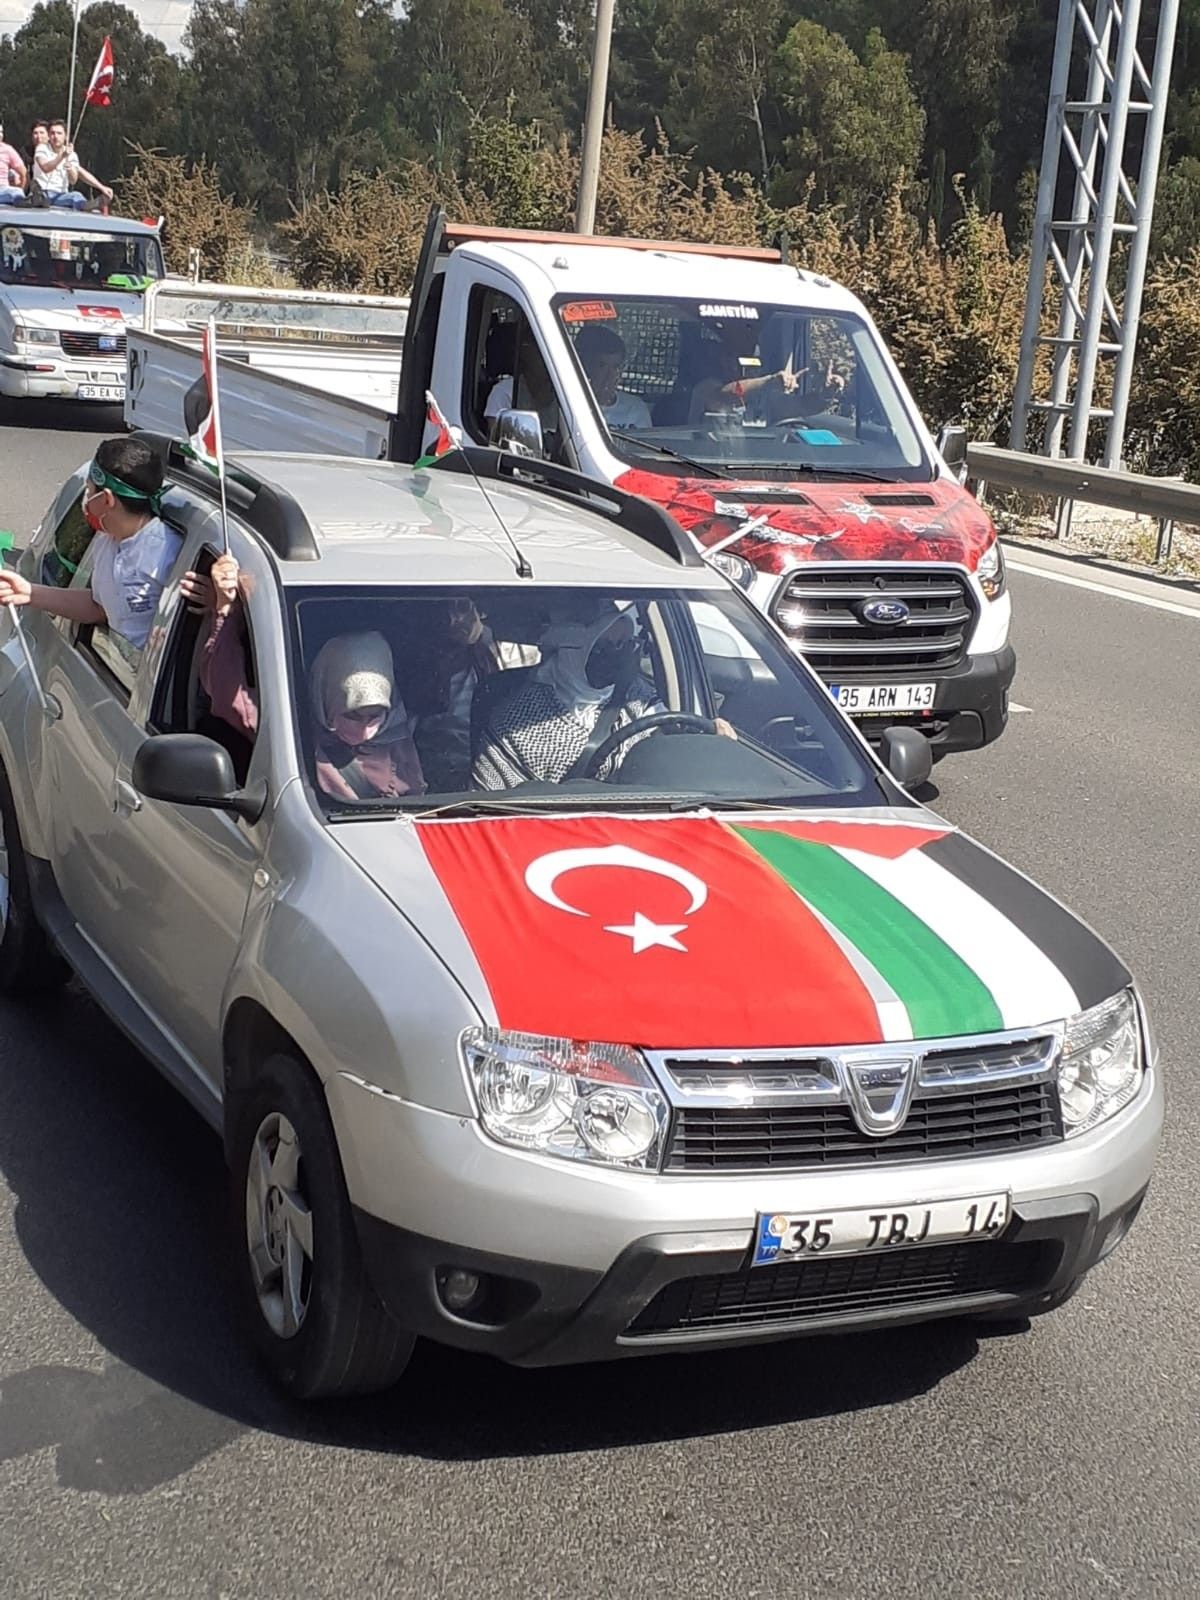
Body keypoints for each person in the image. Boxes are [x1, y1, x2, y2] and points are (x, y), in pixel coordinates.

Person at [0, 437, 180, 651]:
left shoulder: (169, 554)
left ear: (106, 499)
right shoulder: (105, 541)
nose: (85, 500)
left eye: (89, 491)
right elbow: (98, 607)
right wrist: (28, 592)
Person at [473, 602, 661, 790]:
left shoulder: (639, 698)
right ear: (572, 651)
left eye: (625, 643)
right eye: (606, 645)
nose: (619, 654)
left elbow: (666, 750)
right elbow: (491, 798)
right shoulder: (515, 723)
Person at [407, 596, 533, 793]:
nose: (454, 619)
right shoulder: (418, 671)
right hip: (437, 779)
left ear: (480, 611)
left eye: (463, 608)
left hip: (493, 772)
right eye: (444, 611)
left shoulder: (492, 657)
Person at [309, 631, 425, 802]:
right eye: (352, 716)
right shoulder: (295, 751)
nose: (364, 732)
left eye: (375, 716)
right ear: (326, 700)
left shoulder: (400, 740)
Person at [574, 323, 652, 430]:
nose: (610, 375)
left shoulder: (635, 409)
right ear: (586, 366)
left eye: (616, 367)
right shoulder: (572, 406)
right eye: (602, 366)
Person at [32, 119, 112, 210]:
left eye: (59, 133)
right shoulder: (42, 148)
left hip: (61, 195)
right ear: (49, 136)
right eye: (52, 133)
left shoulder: (72, 155)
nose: (56, 136)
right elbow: (45, 168)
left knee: (76, 196)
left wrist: (102, 188)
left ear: (66, 136)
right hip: (42, 194)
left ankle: (89, 205)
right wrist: (61, 156)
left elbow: (73, 180)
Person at [0, 122, 27, 204]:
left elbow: (23, 173)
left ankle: (21, 202)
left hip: (2, 190)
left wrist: (21, 188)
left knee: (17, 193)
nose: (0, 135)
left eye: (1, 132)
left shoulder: (7, 149)